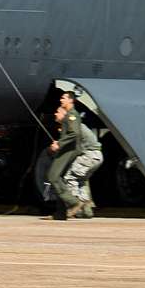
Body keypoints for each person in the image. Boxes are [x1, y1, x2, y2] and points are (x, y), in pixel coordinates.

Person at [46, 91, 102, 219]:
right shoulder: (69, 117)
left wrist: (59, 144)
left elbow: (74, 134)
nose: (61, 100)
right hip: (68, 149)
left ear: (71, 100)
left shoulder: (72, 115)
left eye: (63, 98)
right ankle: (60, 214)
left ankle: (74, 202)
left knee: (53, 176)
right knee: (61, 178)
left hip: (69, 151)